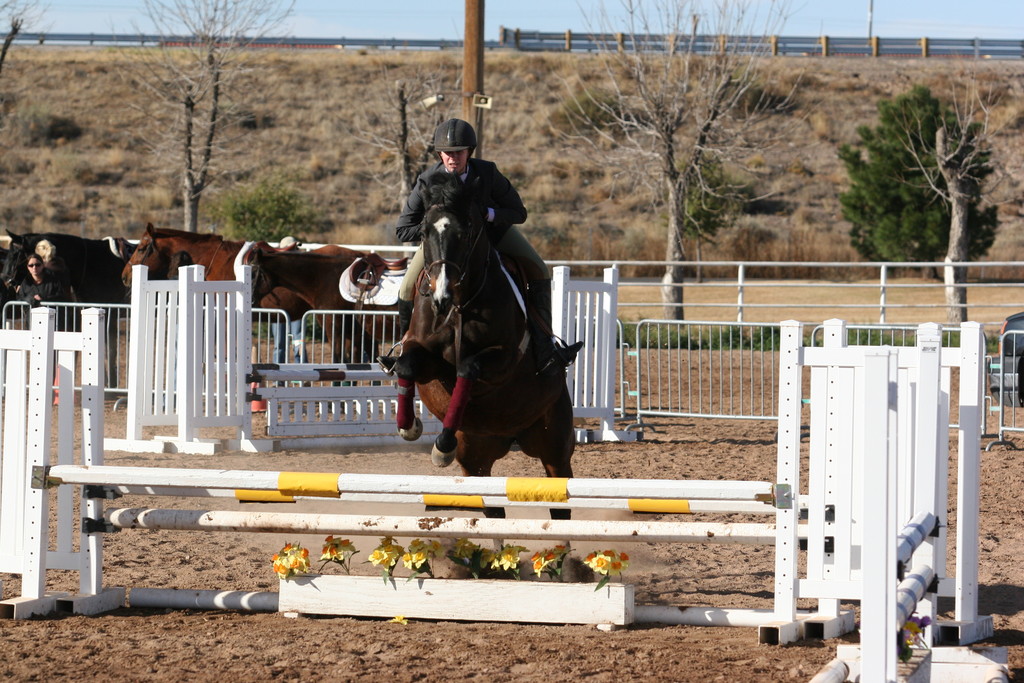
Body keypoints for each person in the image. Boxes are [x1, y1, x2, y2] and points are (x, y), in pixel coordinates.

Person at [393, 118, 581, 374]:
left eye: (458, 152)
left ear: (469, 152)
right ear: (440, 154)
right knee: (406, 286)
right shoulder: (427, 180)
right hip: (445, 246)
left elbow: (518, 212)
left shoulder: (487, 173)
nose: (453, 158)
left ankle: (546, 346)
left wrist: (489, 215)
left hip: (493, 235)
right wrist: (434, 229)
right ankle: (402, 347)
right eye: (448, 153)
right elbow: (403, 229)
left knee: (538, 267)